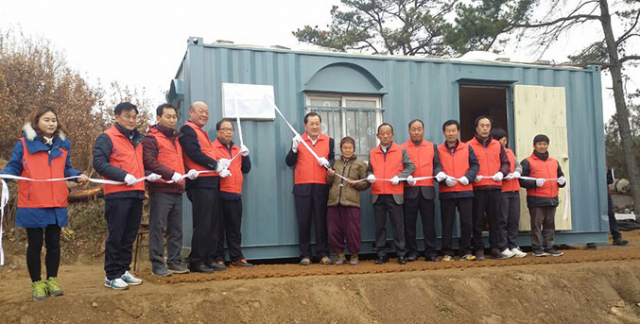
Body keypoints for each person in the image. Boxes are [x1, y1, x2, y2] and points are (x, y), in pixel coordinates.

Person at [0, 106, 88, 301]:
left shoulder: (64, 145)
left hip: (56, 202)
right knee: (34, 244)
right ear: (37, 121)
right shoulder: (23, 144)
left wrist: (77, 176)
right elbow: (13, 166)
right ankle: (37, 284)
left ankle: (52, 280)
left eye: (54, 120)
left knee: (54, 244)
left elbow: (67, 169)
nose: (51, 123)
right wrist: (2, 178)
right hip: (33, 202)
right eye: (47, 120)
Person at [94, 102, 159, 289]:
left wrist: (147, 174)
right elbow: (99, 163)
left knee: (129, 235)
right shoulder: (106, 138)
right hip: (117, 194)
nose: (131, 120)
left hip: (136, 192)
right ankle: (111, 275)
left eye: (134, 117)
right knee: (117, 234)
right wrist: (122, 176)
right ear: (117, 117)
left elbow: (136, 165)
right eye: (127, 116)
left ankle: (123, 270)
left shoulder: (137, 139)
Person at [142, 103, 198, 277]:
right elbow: (150, 162)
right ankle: (157, 264)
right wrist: (170, 174)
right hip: (160, 189)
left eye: (174, 117)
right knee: (158, 227)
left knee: (176, 228)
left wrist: (188, 172)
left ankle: (174, 261)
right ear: (158, 118)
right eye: (168, 116)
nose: (172, 120)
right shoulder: (151, 138)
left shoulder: (176, 139)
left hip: (177, 189)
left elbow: (179, 161)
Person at [179, 101, 229, 273]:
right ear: (190, 112)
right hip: (200, 183)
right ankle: (197, 260)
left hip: (211, 182)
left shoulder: (202, 132)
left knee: (212, 223)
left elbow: (208, 152)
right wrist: (213, 164)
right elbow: (193, 152)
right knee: (203, 223)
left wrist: (221, 163)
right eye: (200, 111)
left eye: (207, 112)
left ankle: (209, 257)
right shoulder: (187, 130)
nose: (204, 115)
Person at [285, 112, 335, 266]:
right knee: (304, 222)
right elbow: (289, 162)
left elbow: (332, 159)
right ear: (305, 125)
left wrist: (328, 162)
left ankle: (323, 253)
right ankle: (305, 254)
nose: (315, 126)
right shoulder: (298, 140)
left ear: (321, 124)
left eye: (317, 123)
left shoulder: (328, 141)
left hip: (321, 185)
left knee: (321, 221)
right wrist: (294, 149)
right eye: (311, 124)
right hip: (302, 186)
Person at [367, 123, 415, 265]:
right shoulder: (373, 152)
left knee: (398, 225)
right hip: (378, 194)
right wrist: (370, 175)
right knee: (380, 226)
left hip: (395, 193)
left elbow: (411, 166)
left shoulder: (401, 150)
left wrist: (400, 176)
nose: (385, 136)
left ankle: (401, 253)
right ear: (378, 136)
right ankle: (381, 254)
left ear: (392, 135)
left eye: (388, 133)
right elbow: (369, 170)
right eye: (382, 133)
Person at [466, 116, 510, 260]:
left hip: (495, 187)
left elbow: (506, 163)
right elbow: (465, 165)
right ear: (476, 128)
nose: (485, 128)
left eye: (487, 126)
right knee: (477, 220)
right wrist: (473, 176)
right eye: (482, 125)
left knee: (495, 219)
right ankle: (478, 249)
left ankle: (495, 248)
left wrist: (501, 173)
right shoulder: (469, 145)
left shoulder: (498, 145)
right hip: (478, 188)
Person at [211, 119, 253, 268]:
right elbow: (209, 169)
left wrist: (246, 155)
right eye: (225, 129)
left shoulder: (237, 149)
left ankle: (237, 257)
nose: (228, 132)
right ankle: (218, 258)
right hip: (220, 194)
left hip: (235, 194)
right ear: (218, 132)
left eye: (231, 129)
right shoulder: (212, 148)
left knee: (235, 229)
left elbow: (246, 169)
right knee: (218, 229)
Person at [401, 119, 444, 262]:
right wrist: (405, 177)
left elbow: (437, 165)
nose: (416, 132)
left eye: (419, 129)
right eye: (413, 129)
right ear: (409, 131)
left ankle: (430, 252)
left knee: (429, 224)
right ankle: (412, 252)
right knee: (409, 224)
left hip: (427, 190)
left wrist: (439, 173)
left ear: (423, 130)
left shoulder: (432, 147)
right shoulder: (402, 148)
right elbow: (399, 168)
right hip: (409, 190)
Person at [437, 120, 479, 261]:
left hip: (465, 190)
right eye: (448, 131)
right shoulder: (438, 149)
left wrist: (469, 177)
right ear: (444, 132)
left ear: (458, 132)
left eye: (453, 130)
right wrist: (442, 178)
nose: (451, 133)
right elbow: (436, 167)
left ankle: (465, 251)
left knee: (467, 223)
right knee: (447, 223)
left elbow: (475, 165)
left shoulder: (467, 148)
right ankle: (447, 252)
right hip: (446, 191)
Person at [519, 134, 566, 257]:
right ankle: (537, 247)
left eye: (544, 144)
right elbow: (521, 180)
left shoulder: (554, 162)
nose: (542, 146)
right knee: (536, 225)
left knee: (550, 224)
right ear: (534, 146)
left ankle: (549, 247)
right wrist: (534, 182)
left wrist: (562, 182)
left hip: (552, 199)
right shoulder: (527, 162)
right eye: (539, 144)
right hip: (536, 199)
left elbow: (560, 177)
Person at [326, 137, 370, 265]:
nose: (347, 150)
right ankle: (340, 255)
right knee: (333, 230)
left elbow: (366, 183)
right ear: (341, 149)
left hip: (351, 202)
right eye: (345, 148)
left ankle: (354, 255)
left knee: (352, 230)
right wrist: (329, 176)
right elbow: (329, 183)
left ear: (354, 149)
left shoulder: (360, 164)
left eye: (350, 148)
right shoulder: (334, 163)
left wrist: (355, 184)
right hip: (334, 202)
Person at [491, 128, 526, 258]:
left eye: (505, 141)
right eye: (502, 141)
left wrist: (517, 172)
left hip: (514, 189)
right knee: (502, 220)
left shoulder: (510, 152)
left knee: (513, 219)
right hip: (502, 190)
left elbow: (518, 165)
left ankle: (513, 245)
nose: (504, 144)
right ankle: (503, 246)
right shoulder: (493, 153)